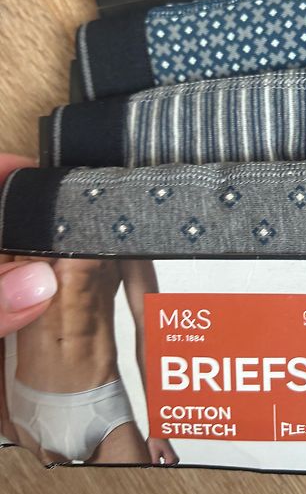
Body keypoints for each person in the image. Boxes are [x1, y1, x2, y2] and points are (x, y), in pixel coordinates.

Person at [0, 155, 178, 466]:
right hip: (30, 407)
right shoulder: (16, 221)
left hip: (104, 405)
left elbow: (150, 325)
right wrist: (3, 418)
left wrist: (160, 426)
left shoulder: (123, 233)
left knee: (141, 493)